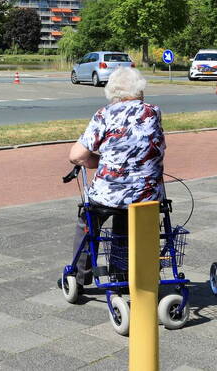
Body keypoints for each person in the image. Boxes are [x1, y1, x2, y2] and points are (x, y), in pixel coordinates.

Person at [66, 67, 165, 283]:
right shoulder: (153, 112)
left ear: (112, 91)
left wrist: (99, 161)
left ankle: (80, 275)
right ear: (139, 90)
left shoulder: (104, 115)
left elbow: (76, 155)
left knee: (89, 219)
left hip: (109, 194)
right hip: (147, 196)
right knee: (127, 215)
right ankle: (121, 273)